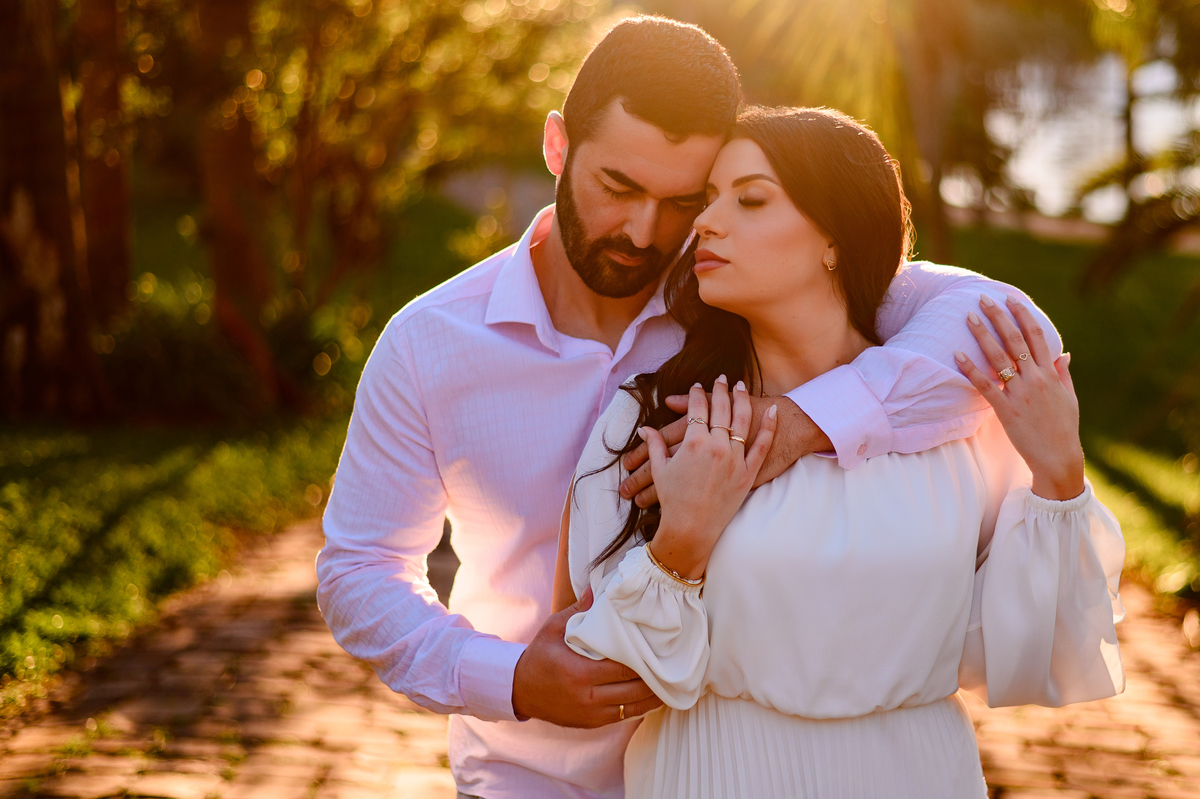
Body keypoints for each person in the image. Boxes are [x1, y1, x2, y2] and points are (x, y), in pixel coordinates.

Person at [316, 16, 1070, 799]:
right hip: (534, 774)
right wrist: (508, 678)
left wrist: (798, 426)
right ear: (556, 146)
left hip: (712, 768)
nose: (645, 232)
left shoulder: (737, 286)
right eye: (618, 188)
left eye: (682, 199)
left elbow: (997, 320)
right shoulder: (430, 342)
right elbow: (359, 569)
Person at [559, 106, 1125, 798]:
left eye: (751, 198)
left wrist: (1060, 474)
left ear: (835, 236)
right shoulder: (659, 418)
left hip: (916, 772)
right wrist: (682, 544)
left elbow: (1023, 652)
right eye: (708, 198)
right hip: (718, 774)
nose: (706, 222)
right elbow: (603, 678)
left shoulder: (952, 419)